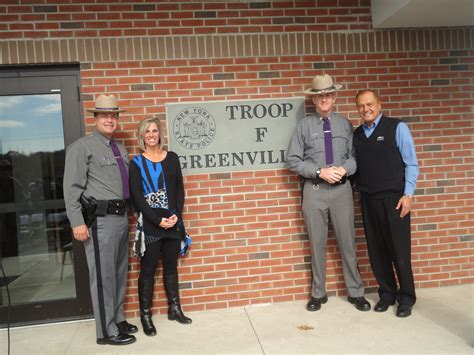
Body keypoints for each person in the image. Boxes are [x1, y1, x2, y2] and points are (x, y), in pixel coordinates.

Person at [287, 74, 370, 312]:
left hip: (342, 192)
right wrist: (318, 171)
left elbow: (355, 157)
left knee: (348, 244)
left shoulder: (345, 125)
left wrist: (344, 168)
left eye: (328, 94)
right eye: (319, 95)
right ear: (314, 99)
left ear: (334, 97)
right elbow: (292, 160)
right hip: (314, 191)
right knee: (317, 244)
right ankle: (318, 293)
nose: (324, 98)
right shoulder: (303, 126)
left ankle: (356, 292)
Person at [63, 94, 137, 345]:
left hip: (120, 218)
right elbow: (71, 188)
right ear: (95, 118)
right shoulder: (81, 147)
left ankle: (116, 319)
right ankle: (105, 332)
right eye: (104, 115)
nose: (110, 119)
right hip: (100, 221)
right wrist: (77, 222)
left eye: (114, 115)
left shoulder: (119, 148)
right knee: (103, 277)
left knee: (118, 274)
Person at [353, 89, 419, 318]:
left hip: (395, 200)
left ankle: (406, 297)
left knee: (399, 251)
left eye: (370, 104)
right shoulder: (357, 134)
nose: (366, 109)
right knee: (377, 252)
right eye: (361, 106)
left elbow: (412, 163)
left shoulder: (397, 127)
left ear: (379, 104)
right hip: (368, 199)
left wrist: (408, 194)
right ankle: (387, 294)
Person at [129, 117, 192, 337]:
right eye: (147, 131)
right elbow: (137, 197)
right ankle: (145, 315)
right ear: (142, 136)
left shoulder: (172, 158)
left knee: (171, 267)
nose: (151, 135)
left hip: (174, 223)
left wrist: (176, 215)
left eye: (155, 131)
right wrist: (157, 220)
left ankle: (174, 308)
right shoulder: (136, 163)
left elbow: (179, 190)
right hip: (152, 226)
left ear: (159, 134)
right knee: (148, 271)